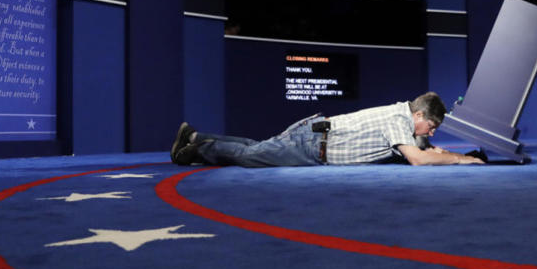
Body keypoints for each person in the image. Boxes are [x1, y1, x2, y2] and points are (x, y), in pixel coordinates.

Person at [170, 91, 486, 167]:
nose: (430, 133)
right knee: (250, 156)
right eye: (430, 126)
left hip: (314, 134)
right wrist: (461, 160)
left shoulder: (401, 116)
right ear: (418, 115)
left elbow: (427, 150)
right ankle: (193, 150)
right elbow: (418, 158)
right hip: (313, 146)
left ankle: (196, 136)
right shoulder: (399, 120)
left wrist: (449, 153)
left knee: (255, 146)